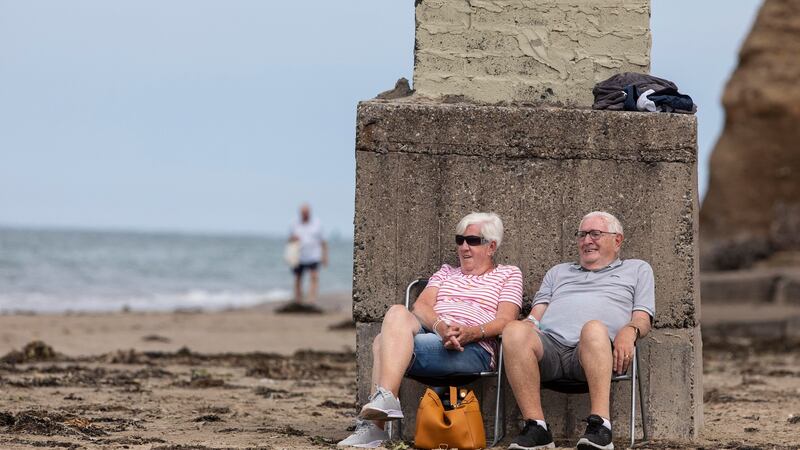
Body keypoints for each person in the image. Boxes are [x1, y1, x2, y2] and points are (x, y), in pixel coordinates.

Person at [337, 212, 523, 448]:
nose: (464, 247)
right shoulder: (446, 272)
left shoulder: (508, 274)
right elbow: (421, 306)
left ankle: (375, 424)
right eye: (460, 240)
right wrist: (441, 328)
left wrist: (470, 333)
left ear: (491, 246)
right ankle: (385, 402)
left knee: (381, 343)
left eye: (473, 241)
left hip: (473, 348)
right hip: (435, 335)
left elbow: (506, 320)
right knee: (396, 311)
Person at [502, 211, 655, 450]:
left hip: (594, 352)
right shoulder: (558, 272)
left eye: (595, 234)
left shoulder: (637, 270)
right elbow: (536, 314)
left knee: (593, 328)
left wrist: (631, 330)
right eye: (582, 235)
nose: (587, 241)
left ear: (617, 240)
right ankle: (537, 428)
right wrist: (525, 325)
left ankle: (600, 427)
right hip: (550, 348)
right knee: (513, 330)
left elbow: (643, 317)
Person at [288, 204, 328, 307]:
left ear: (309, 213)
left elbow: (323, 241)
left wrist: (325, 256)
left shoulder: (317, 223)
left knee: (314, 277)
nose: (304, 215)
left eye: (306, 212)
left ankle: (312, 300)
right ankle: (298, 300)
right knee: (297, 278)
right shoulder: (294, 223)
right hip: (299, 256)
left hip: (313, 255)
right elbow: (289, 241)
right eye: (303, 213)